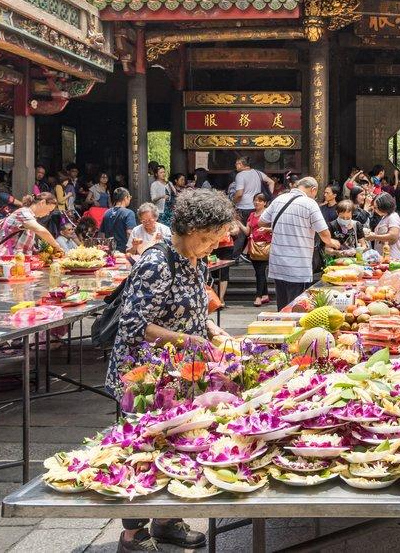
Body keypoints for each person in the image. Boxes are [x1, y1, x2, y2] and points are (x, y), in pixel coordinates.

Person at [107, 190, 233, 552]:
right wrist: (189, 340)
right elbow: (134, 326)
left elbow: (193, 309)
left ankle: (166, 520)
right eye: (208, 237)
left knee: (177, 442)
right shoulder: (156, 262)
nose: (212, 245)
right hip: (143, 377)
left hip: (177, 372)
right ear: (190, 228)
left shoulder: (196, 260)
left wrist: (211, 329)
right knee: (143, 448)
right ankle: (133, 534)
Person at [260, 177, 341, 307]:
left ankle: (282, 326)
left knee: (282, 306)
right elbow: (324, 234)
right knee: (297, 307)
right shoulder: (309, 203)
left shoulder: (279, 199)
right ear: (313, 190)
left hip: (278, 263)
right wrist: (332, 242)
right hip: (298, 266)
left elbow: (261, 221)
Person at [0, 193, 62, 261]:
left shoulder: (30, 217)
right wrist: (57, 246)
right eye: (48, 210)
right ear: (42, 203)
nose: (48, 214)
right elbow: (41, 230)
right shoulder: (23, 213)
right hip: (6, 260)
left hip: (16, 260)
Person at [245, 193, 271, 307]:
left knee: (260, 272)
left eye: (260, 200)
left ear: (265, 203)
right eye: (255, 200)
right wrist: (238, 223)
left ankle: (258, 297)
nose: (257, 202)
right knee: (258, 273)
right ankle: (265, 295)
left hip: (264, 246)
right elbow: (247, 231)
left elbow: (276, 227)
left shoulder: (268, 214)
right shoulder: (252, 214)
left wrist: (266, 229)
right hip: (253, 246)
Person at [232, 157, 274, 223]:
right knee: (254, 228)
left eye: (236, 163)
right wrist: (266, 197)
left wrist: (232, 203)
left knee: (243, 230)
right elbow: (271, 182)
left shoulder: (240, 175)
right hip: (257, 206)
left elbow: (239, 194)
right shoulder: (258, 173)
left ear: (241, 164)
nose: (235, 165)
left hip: (243, 207)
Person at [100, 188, 136, 254]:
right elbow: (130, 232)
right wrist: (133, 250)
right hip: (124, 251)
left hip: (109, 251)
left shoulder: (106, 213)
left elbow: (102, 234)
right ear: (126, 197)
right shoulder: (129, 213)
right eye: (129, 197)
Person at [371, 193, 400, 261]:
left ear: (384, 206)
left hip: (392, 258)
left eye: (376, 207)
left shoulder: (393, 217)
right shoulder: (384, 217)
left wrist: (374, 237)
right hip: (383, 258)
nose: (375, 210)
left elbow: (393, 236)